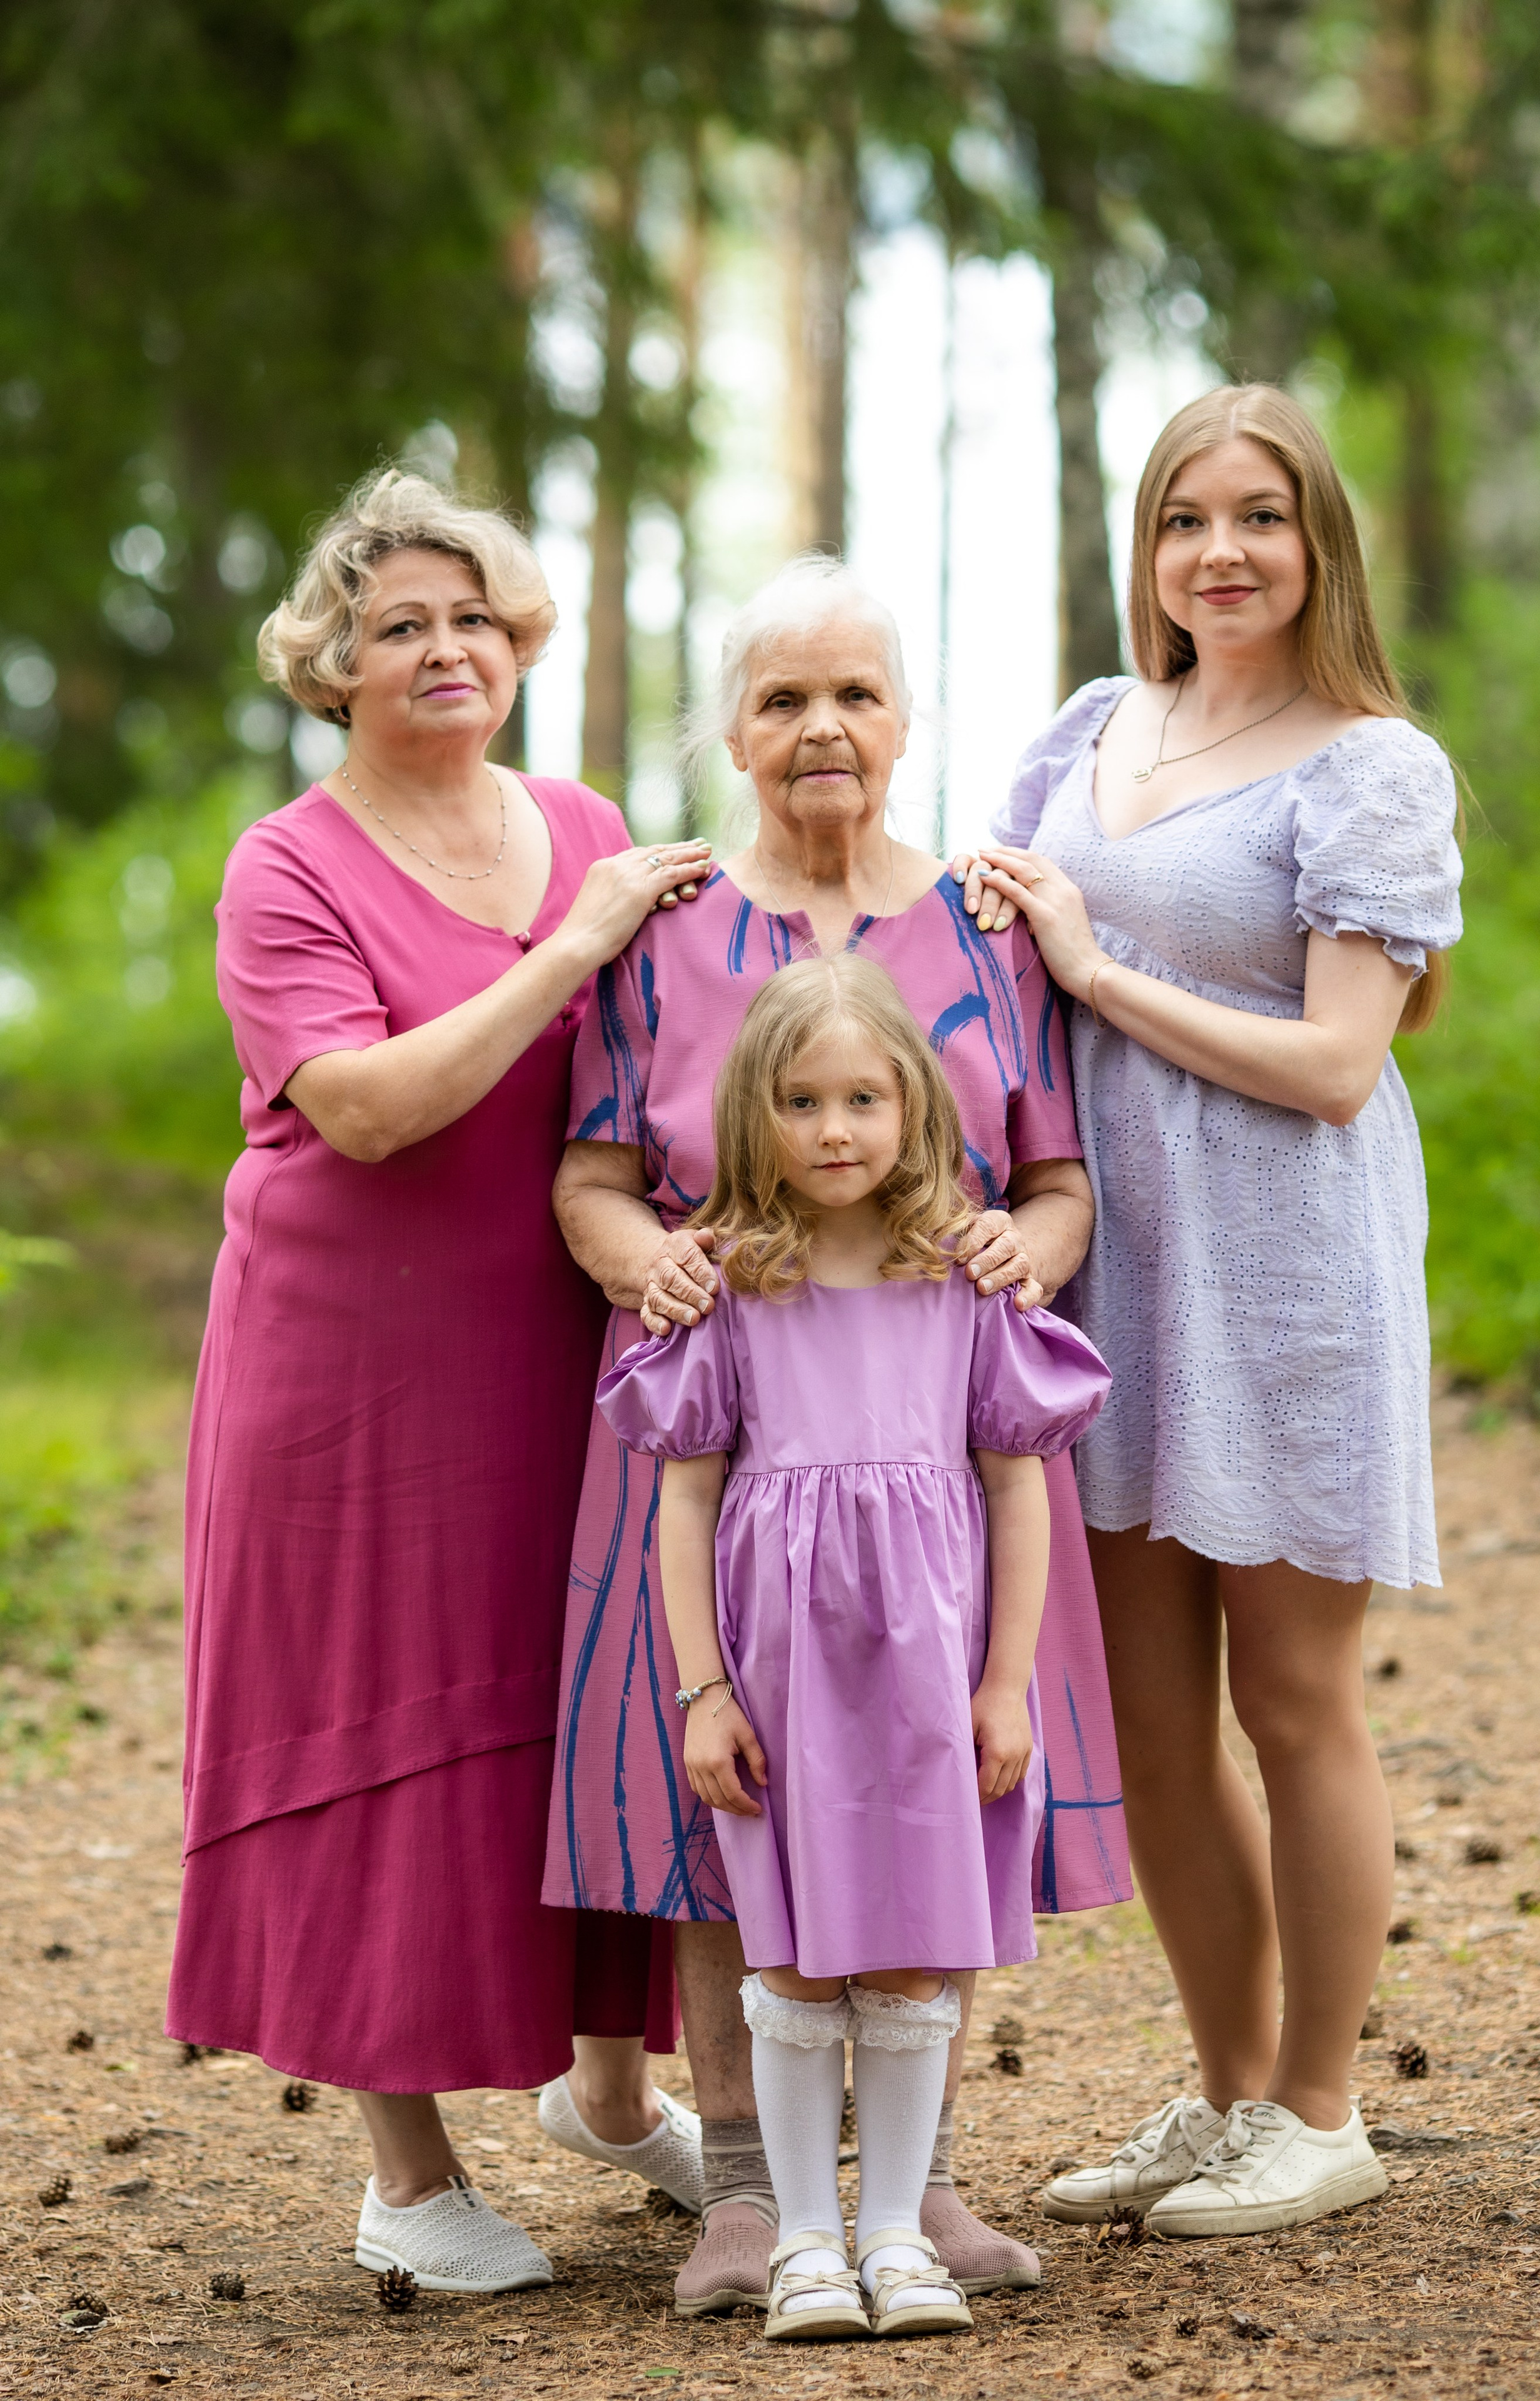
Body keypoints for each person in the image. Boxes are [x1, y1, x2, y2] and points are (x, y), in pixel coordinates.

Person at [540, 557, 1130, 2313]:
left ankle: (922, 2191)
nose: (821, 731)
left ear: (903, 723)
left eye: (855, 696)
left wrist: (1038, 1251)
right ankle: (744, 2190)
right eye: (784, 699)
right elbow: (587, 1175)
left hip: (938, 1450)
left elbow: (1054, 1178)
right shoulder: (662, 929)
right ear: (733, 728)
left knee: (938, 1775)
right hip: (725, 1438)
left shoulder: (985, 926)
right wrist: (657, 1271)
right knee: (735, 1799)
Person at [166, 468, 715, 2292]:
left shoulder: (587, 818)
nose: (446, 648)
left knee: (597, 1696)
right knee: (389, 1730)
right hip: (352, 1384)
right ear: (333, 666)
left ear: (522, 639)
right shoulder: (286, 865)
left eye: (475, 615)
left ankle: (617, 2104)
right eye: (399, 624)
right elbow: (372, 1107)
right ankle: (406, 2178)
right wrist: (573, 942)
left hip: (567, 1346)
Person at [954, 383, 1464, 2237]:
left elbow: (1341, 1065)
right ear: (1148, 547)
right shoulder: (1090, 733)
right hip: (1108, 1275)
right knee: (1157, 1729)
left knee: (1299, 1701)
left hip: (1287, 1270)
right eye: (1187, 518)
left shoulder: (1372, 766)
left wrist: (1098, 963)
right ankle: (1229, 2087)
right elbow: (986, 985)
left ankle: (1323, 2110)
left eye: (1261, 515)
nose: (1221, 552)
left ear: (1319, 537)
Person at [596, 955, 1111, 2340]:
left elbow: (1015, 1481)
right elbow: (684, 1497)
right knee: (793, 1957)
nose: (833, 1129)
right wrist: (703, 1692)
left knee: (909, 1955)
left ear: (913, 1110)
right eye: (801, 1100)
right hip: (781, 1682)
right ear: (752, 1119)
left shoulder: (959, 1276)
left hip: (932, 1679)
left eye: (863, 1099)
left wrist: (1004, 1682)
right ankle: (804, 2241)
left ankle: (895, 2227)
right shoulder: (726, 1288)